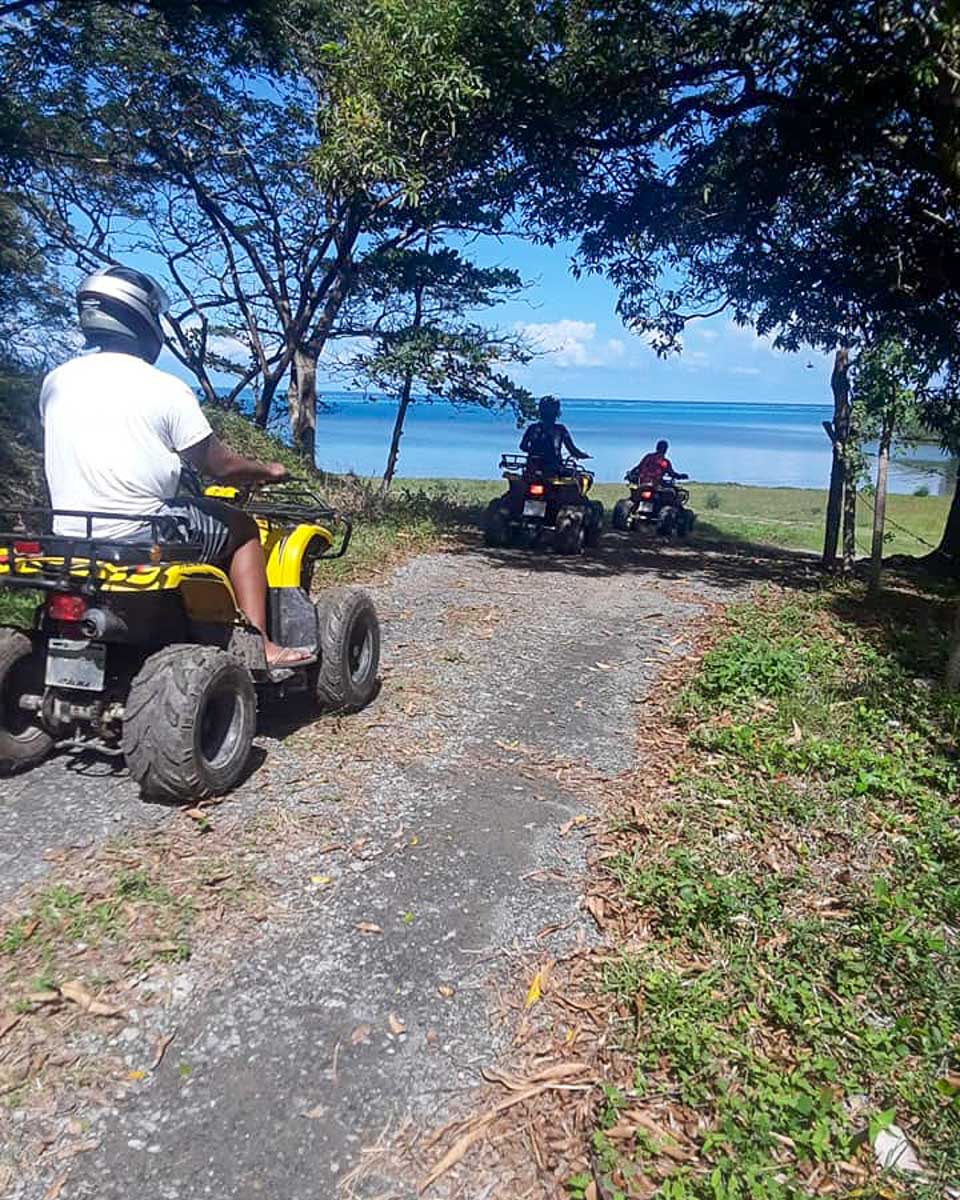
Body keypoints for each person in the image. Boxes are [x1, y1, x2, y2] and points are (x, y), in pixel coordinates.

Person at [40, 264, 308, 667]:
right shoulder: (164, 388)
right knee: (243, 529)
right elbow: (218, 466)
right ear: (142, 319)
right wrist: (266, 470)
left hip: (70, 533)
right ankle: (261, 647)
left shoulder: (56, 381)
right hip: (138, 529)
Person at [519, 396, 590, 470]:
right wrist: (582, 455)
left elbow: (523, 446)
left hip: (532, 467)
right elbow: (572, 449)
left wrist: (534, 452)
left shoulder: (532, 428)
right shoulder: (560, 429)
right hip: (554, 468)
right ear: (556, 413)